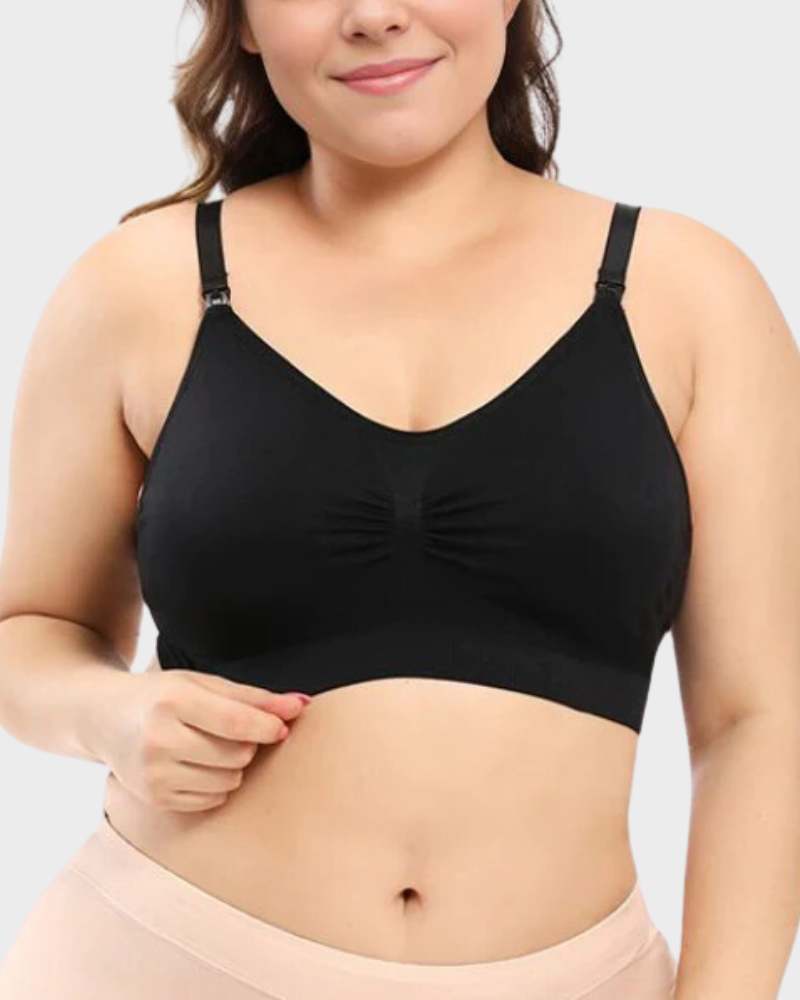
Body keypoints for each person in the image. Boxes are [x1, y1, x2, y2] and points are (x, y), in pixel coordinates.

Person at [1, 2, 799, 998]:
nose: (375, 15)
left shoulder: (689, 295)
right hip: (158, 960)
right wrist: (111, 714)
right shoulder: (136, 288)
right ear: (241, 21)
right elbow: (30, 629)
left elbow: (758, 720)